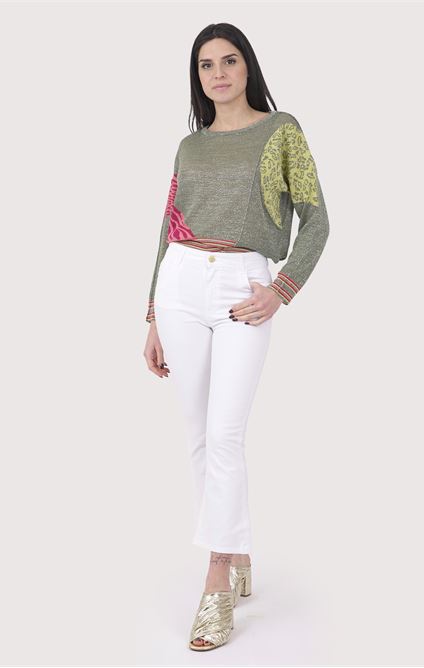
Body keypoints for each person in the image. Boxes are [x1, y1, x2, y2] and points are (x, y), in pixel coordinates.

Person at [143, 22, 330, 651]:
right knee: (199, 435)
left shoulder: (281, 131)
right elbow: (168, 227)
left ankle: (218, 578)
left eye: (229, 61)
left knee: (225, 433)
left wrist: (282, 289)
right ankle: (236, 548)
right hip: (180, 284)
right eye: (206, 65)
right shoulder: (189, 147)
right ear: (196, 77)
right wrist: (152, 315)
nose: (218, 74)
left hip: (242, 286)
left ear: (247, 65)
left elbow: (317, 220)